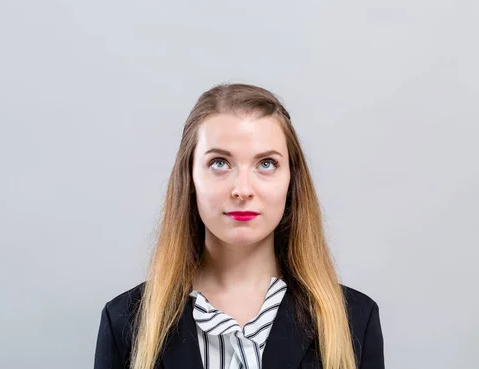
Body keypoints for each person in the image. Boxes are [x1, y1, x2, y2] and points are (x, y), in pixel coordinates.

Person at [94, 83, 384, 369]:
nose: (242, 190)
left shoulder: (355, 320)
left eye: (267, 164)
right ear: (189, 179)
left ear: (291, 181)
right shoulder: (125, 323)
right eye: (219, 163)